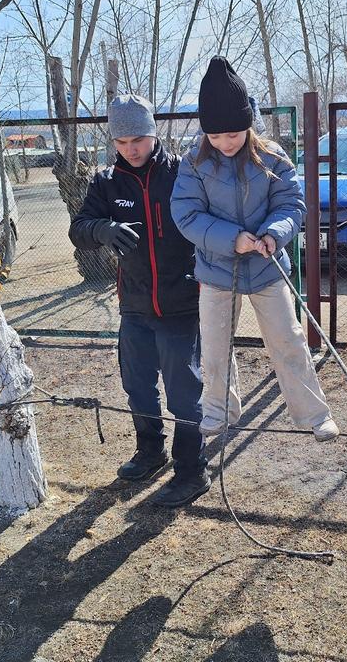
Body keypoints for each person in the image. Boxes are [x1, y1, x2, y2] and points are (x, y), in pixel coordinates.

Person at [171, 57, 340, 442]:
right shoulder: (193, 163)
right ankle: (218, 411)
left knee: (288, 340)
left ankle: (314, 414)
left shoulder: (273, 156)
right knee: (214, 347)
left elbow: (291, 204)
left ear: (247, 124)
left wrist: (273, 234)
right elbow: (186, 215)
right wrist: (232, 238)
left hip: (267, 267)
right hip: (216, 271)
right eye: (215, 136)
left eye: (233, 134)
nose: (225, 143)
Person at [69, 94, 210, 507]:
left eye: (138, 139)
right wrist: (103, 229)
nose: (131, 149)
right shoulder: (106, 181)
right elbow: (79, 229)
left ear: (153, 134)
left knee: (184, 393)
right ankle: (150, 451)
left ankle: (192, 471)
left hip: (182, 304)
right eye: (122, 141)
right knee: (137, 386)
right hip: (134, 306)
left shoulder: (182, 173)